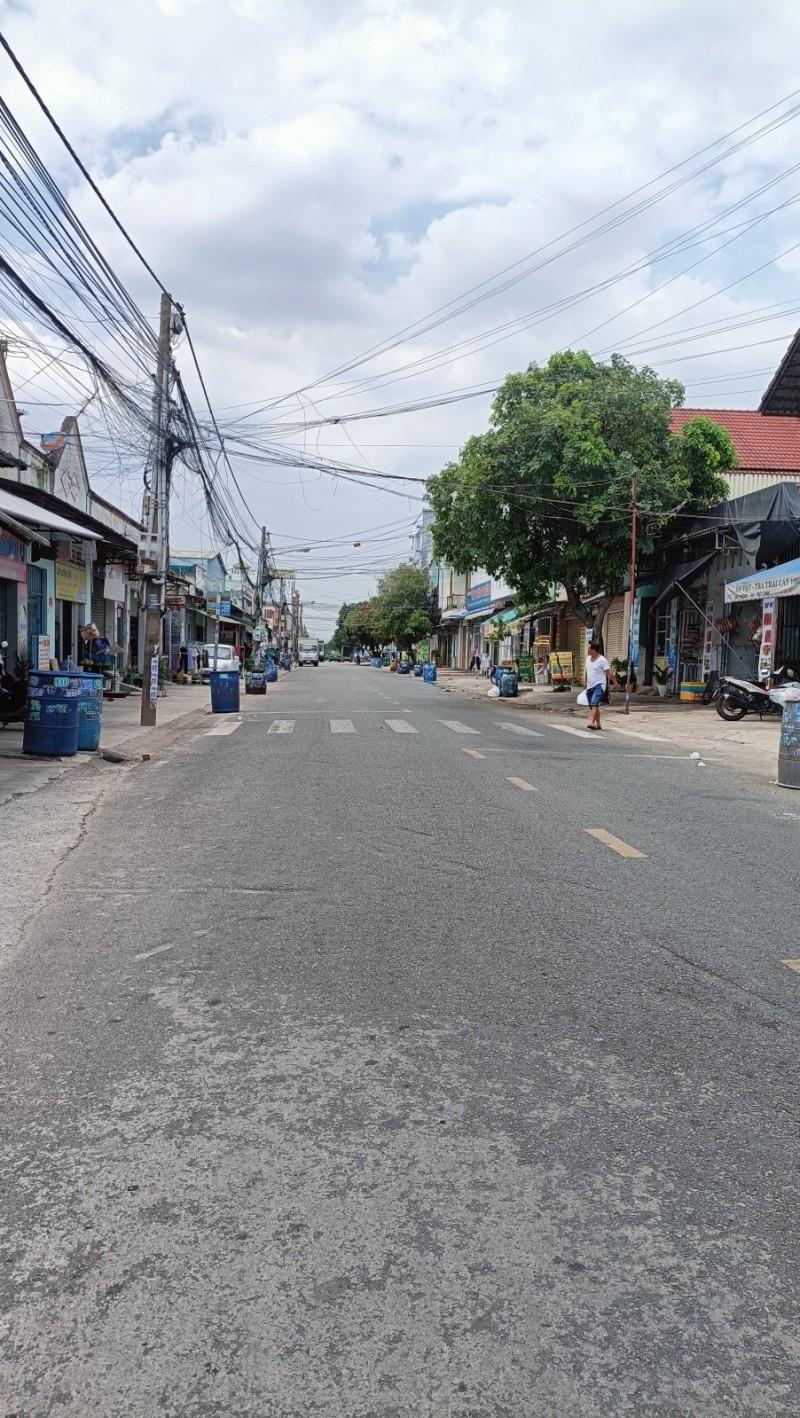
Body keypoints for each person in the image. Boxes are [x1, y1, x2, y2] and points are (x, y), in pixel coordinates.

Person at [585, 641, 618, 730]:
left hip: (599, 685)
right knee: (593, 706)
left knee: (594, 703)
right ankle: (599, 724)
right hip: (590, 686)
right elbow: (587, 672)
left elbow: (609, 673)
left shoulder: (602, 660)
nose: (588, 650)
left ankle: (592, 723)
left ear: (594, 650)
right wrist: (586, 683)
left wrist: (615, 683)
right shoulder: (587, 659)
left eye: (589, 648)